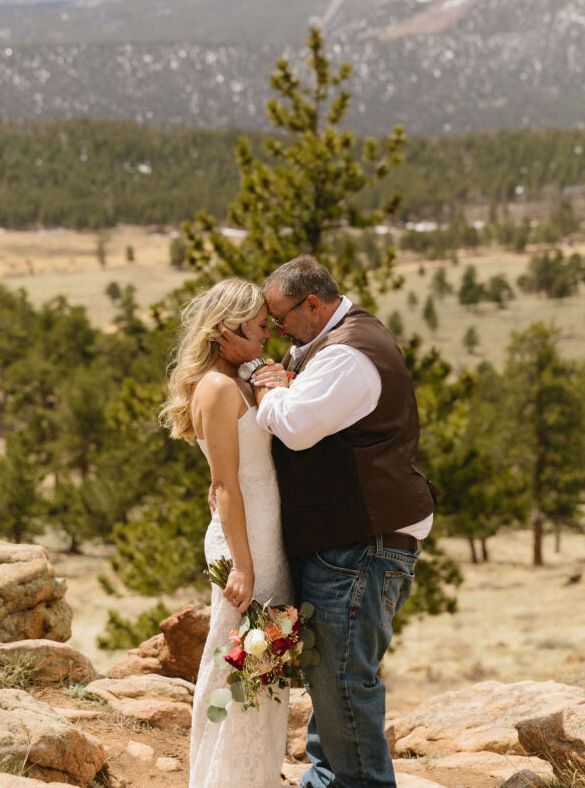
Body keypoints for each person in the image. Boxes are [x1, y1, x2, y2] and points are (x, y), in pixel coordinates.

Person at [219, 256, 436, 788]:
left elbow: (294, 426)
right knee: (331, 676)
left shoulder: (349, 356)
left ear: (312, 305)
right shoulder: (325, 345)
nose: (273, 330)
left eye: (279, 317)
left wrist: (270, 383)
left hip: (362, 542)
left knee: (342, 680)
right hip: (349, 538)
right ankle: (327, 780)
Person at [161, 277, 293, 788]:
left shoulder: (239, 378)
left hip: (263, 536)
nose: (266, 337)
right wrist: (242, 564)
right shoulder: (217, 388)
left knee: (261, 671)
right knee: (236, 664)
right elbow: (225, 483)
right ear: (226, 329)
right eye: (259, 328)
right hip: (248, 543)